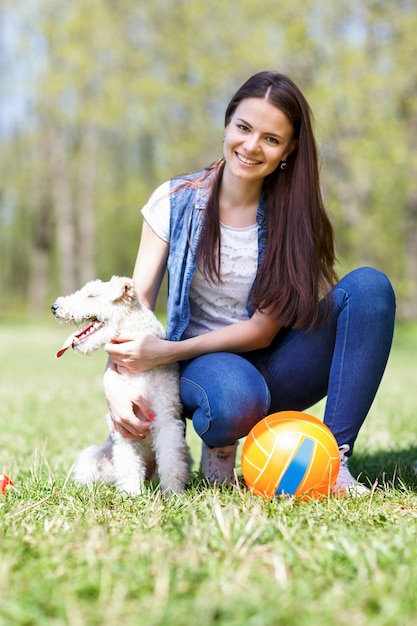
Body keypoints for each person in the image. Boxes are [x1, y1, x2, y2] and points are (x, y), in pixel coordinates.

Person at [104, 71, 396, 496]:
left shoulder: (296, 217)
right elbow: (132, 309)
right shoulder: (175, 200)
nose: (251, 146)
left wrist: (167, 349)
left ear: (288, 150)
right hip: (205, 371)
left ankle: (333, 463)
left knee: (370, 287)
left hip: (274, 363)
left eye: (271, 139)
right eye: (243, 128)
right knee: (236, 395)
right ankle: (220, 442)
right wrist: (114, 384)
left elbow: (263, 330)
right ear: (227, 123)